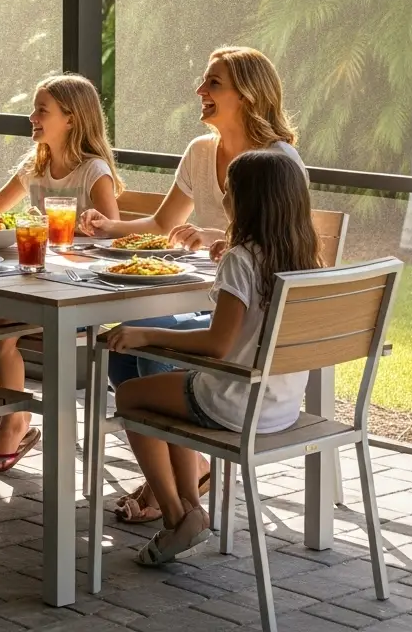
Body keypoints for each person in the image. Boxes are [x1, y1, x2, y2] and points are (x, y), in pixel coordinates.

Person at [81, 45, 307, 523]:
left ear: (246, 95)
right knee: (128, 350)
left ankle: (176, 490)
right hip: (222, 297)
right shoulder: (200, 152)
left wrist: (226, 240)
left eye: (213, 83)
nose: (199, 91)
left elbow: (278, 237)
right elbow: (164, 223)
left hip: (243, 311)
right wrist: (107, 227)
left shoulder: (278, 161)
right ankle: (187, 467)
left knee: (143, 346)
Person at [106, 150, 321, 565]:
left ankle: (174, 515)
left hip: (234, 403)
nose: (223, 199)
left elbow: (216, 346)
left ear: (246, 202)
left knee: (131, 395)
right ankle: (188, 506)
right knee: (169, 388)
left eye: (229, 192)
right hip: (281, 407)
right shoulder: (306, 261)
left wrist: (146, 334)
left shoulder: (242, 260)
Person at [0, 74, 124, 475]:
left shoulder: (93, 171)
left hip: (79, 291)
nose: (32, 117)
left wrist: (71, 229)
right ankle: (15, 415)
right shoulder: (35, 164)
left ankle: (12, 422)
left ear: (72, 119)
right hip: (35, 281)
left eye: (42, 110)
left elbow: (112, 232)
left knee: (2, 336)